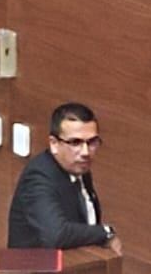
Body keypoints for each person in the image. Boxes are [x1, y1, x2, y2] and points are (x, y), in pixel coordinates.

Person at [7, 103, 121, 254]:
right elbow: (56, 235)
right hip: (32, 273)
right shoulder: (38, 177)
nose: (85, 152)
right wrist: (105, 232)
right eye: (75, 143)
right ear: (54, 144)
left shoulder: (79, 168)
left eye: (92, 142)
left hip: (74, 264)